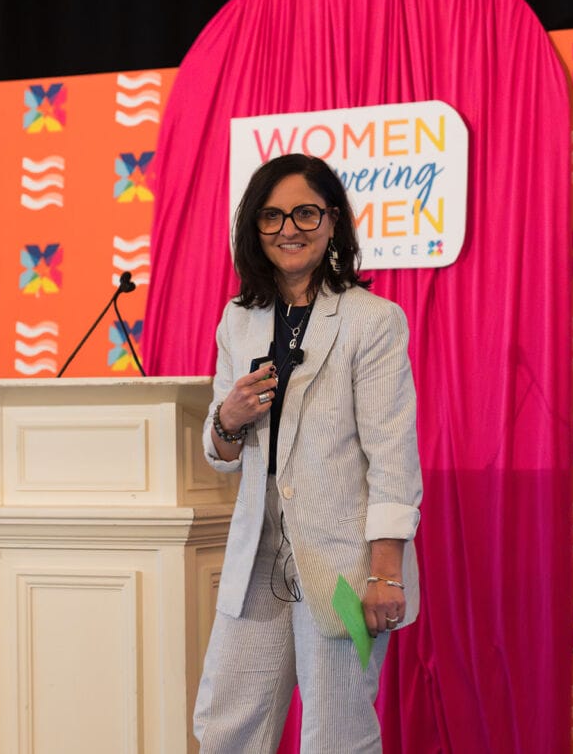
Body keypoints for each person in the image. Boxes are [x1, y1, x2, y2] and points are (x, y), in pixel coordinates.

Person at [194, 153, 422, 753]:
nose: (288, 229)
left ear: (333, 220)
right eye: (272, 216)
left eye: (305, 213)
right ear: (255, 227)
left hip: (345, 560)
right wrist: (228, 417)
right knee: (225, 728)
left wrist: (385, 573)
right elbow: (220, 451)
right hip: (257, 552)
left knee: (336, 734)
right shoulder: (238, 321)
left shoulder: (373, 321)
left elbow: (392, 455)